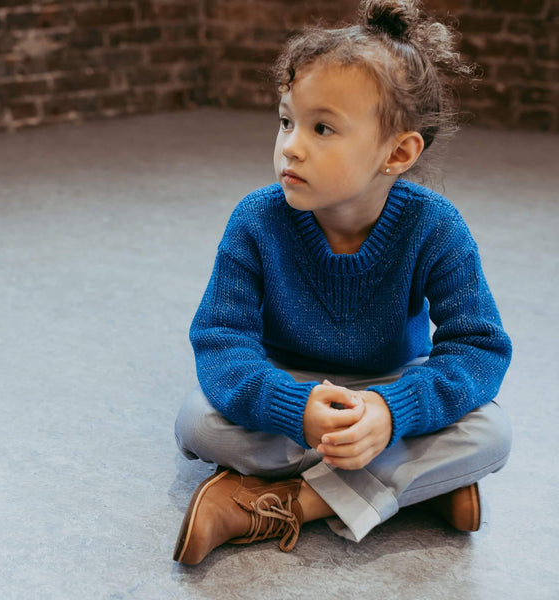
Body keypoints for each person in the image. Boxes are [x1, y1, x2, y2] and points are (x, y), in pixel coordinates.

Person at [173, 0, 512, 566]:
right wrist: (296, 406)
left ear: (397, 153)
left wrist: (392, 411)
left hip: (391, 386)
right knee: (198, 421)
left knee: (492, 432)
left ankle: (282, 503)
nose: (291, 145)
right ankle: (411, 485)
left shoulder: (435, 226)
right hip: (293, 385)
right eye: (286, 121)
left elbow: (480, 349)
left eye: (322, 127)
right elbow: (220, 341)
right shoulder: (256, 219)